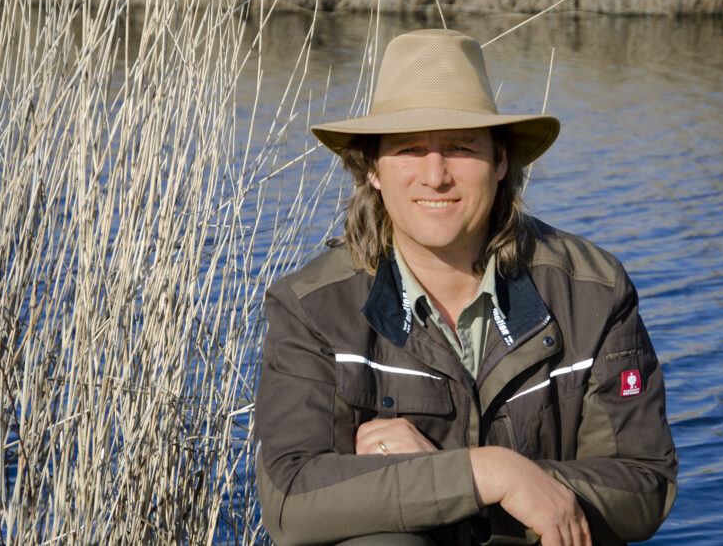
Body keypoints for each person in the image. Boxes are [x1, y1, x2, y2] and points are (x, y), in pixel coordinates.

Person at [255, 29, 677, 546]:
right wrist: (486, 476)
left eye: (459, 147)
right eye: (410, 149)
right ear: (373, 170)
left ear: (501, 161)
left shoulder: (592, 290)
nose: (436, 176)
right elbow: (291, 498)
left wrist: (461, 479)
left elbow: (644, 484)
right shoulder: (312, 309)